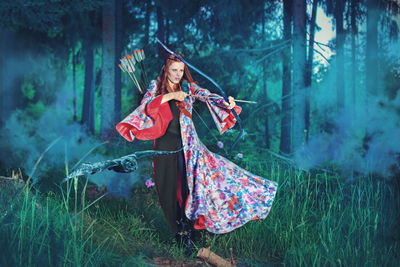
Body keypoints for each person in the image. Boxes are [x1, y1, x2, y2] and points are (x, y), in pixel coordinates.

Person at [116, 54, 278, 254]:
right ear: (166, 70)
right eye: (174, 70)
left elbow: (208, 96)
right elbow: (147, 106)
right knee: (167, 191)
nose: (178, 74)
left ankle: (189, 234)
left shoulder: (188, 88)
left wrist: (227, 103)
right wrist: (171, 96)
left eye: (181, 70)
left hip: (189, 145)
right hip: (165, 145)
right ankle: (178, 232)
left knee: (188, 188)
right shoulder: (155, 86)